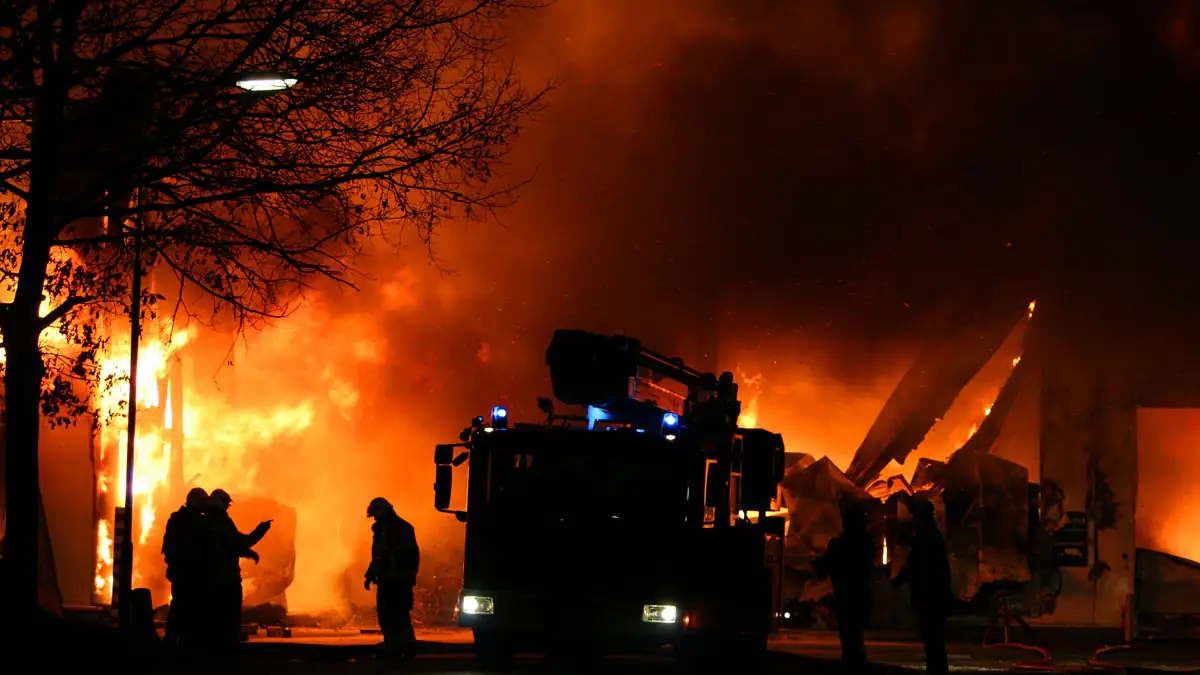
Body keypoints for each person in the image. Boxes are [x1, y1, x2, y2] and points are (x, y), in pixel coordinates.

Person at [813, 498, 875, 669]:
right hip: (858, 593)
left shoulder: (842, 544)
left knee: (849, 635)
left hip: (847, 594)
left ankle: (852, 662)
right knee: (854, 635)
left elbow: (826, 566)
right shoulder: (865, 543)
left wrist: (820, 565)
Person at [205, 488, 271, 645]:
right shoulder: (221, 522)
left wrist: (248, 553)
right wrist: (260, 531)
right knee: (230, 605)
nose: (228, 507)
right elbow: (238, 543)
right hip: (226, 575)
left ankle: (217, 637)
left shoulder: (205, 522)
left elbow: (232, 545)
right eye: (226, 504)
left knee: (216, 609)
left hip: (211, 575)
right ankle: (229, 637)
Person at [894, 498, 953, 675]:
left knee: (933, 642)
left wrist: (900, 580)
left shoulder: (928, 538)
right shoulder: (930, 536)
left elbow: (920, 564)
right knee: (933, 643)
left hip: (930, 598)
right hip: (932, 597)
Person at [364, 497, 420, 659]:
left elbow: (381, 557)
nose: (374, 519)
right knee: (400, 615)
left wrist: (372, 575)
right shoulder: (402, 528)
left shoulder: (388, 531)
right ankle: (406, 646)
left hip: (390, 581)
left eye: (375, 516)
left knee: (389, 615)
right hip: (400, 581)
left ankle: (394, 649)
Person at [161, 487, 210, 647]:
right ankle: (182, 642)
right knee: (186, 607)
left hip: (182, 572)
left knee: (180, 606)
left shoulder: (177, 520)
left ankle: (174, 640)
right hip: (188, 573)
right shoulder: (193, 522)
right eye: (203, 502)